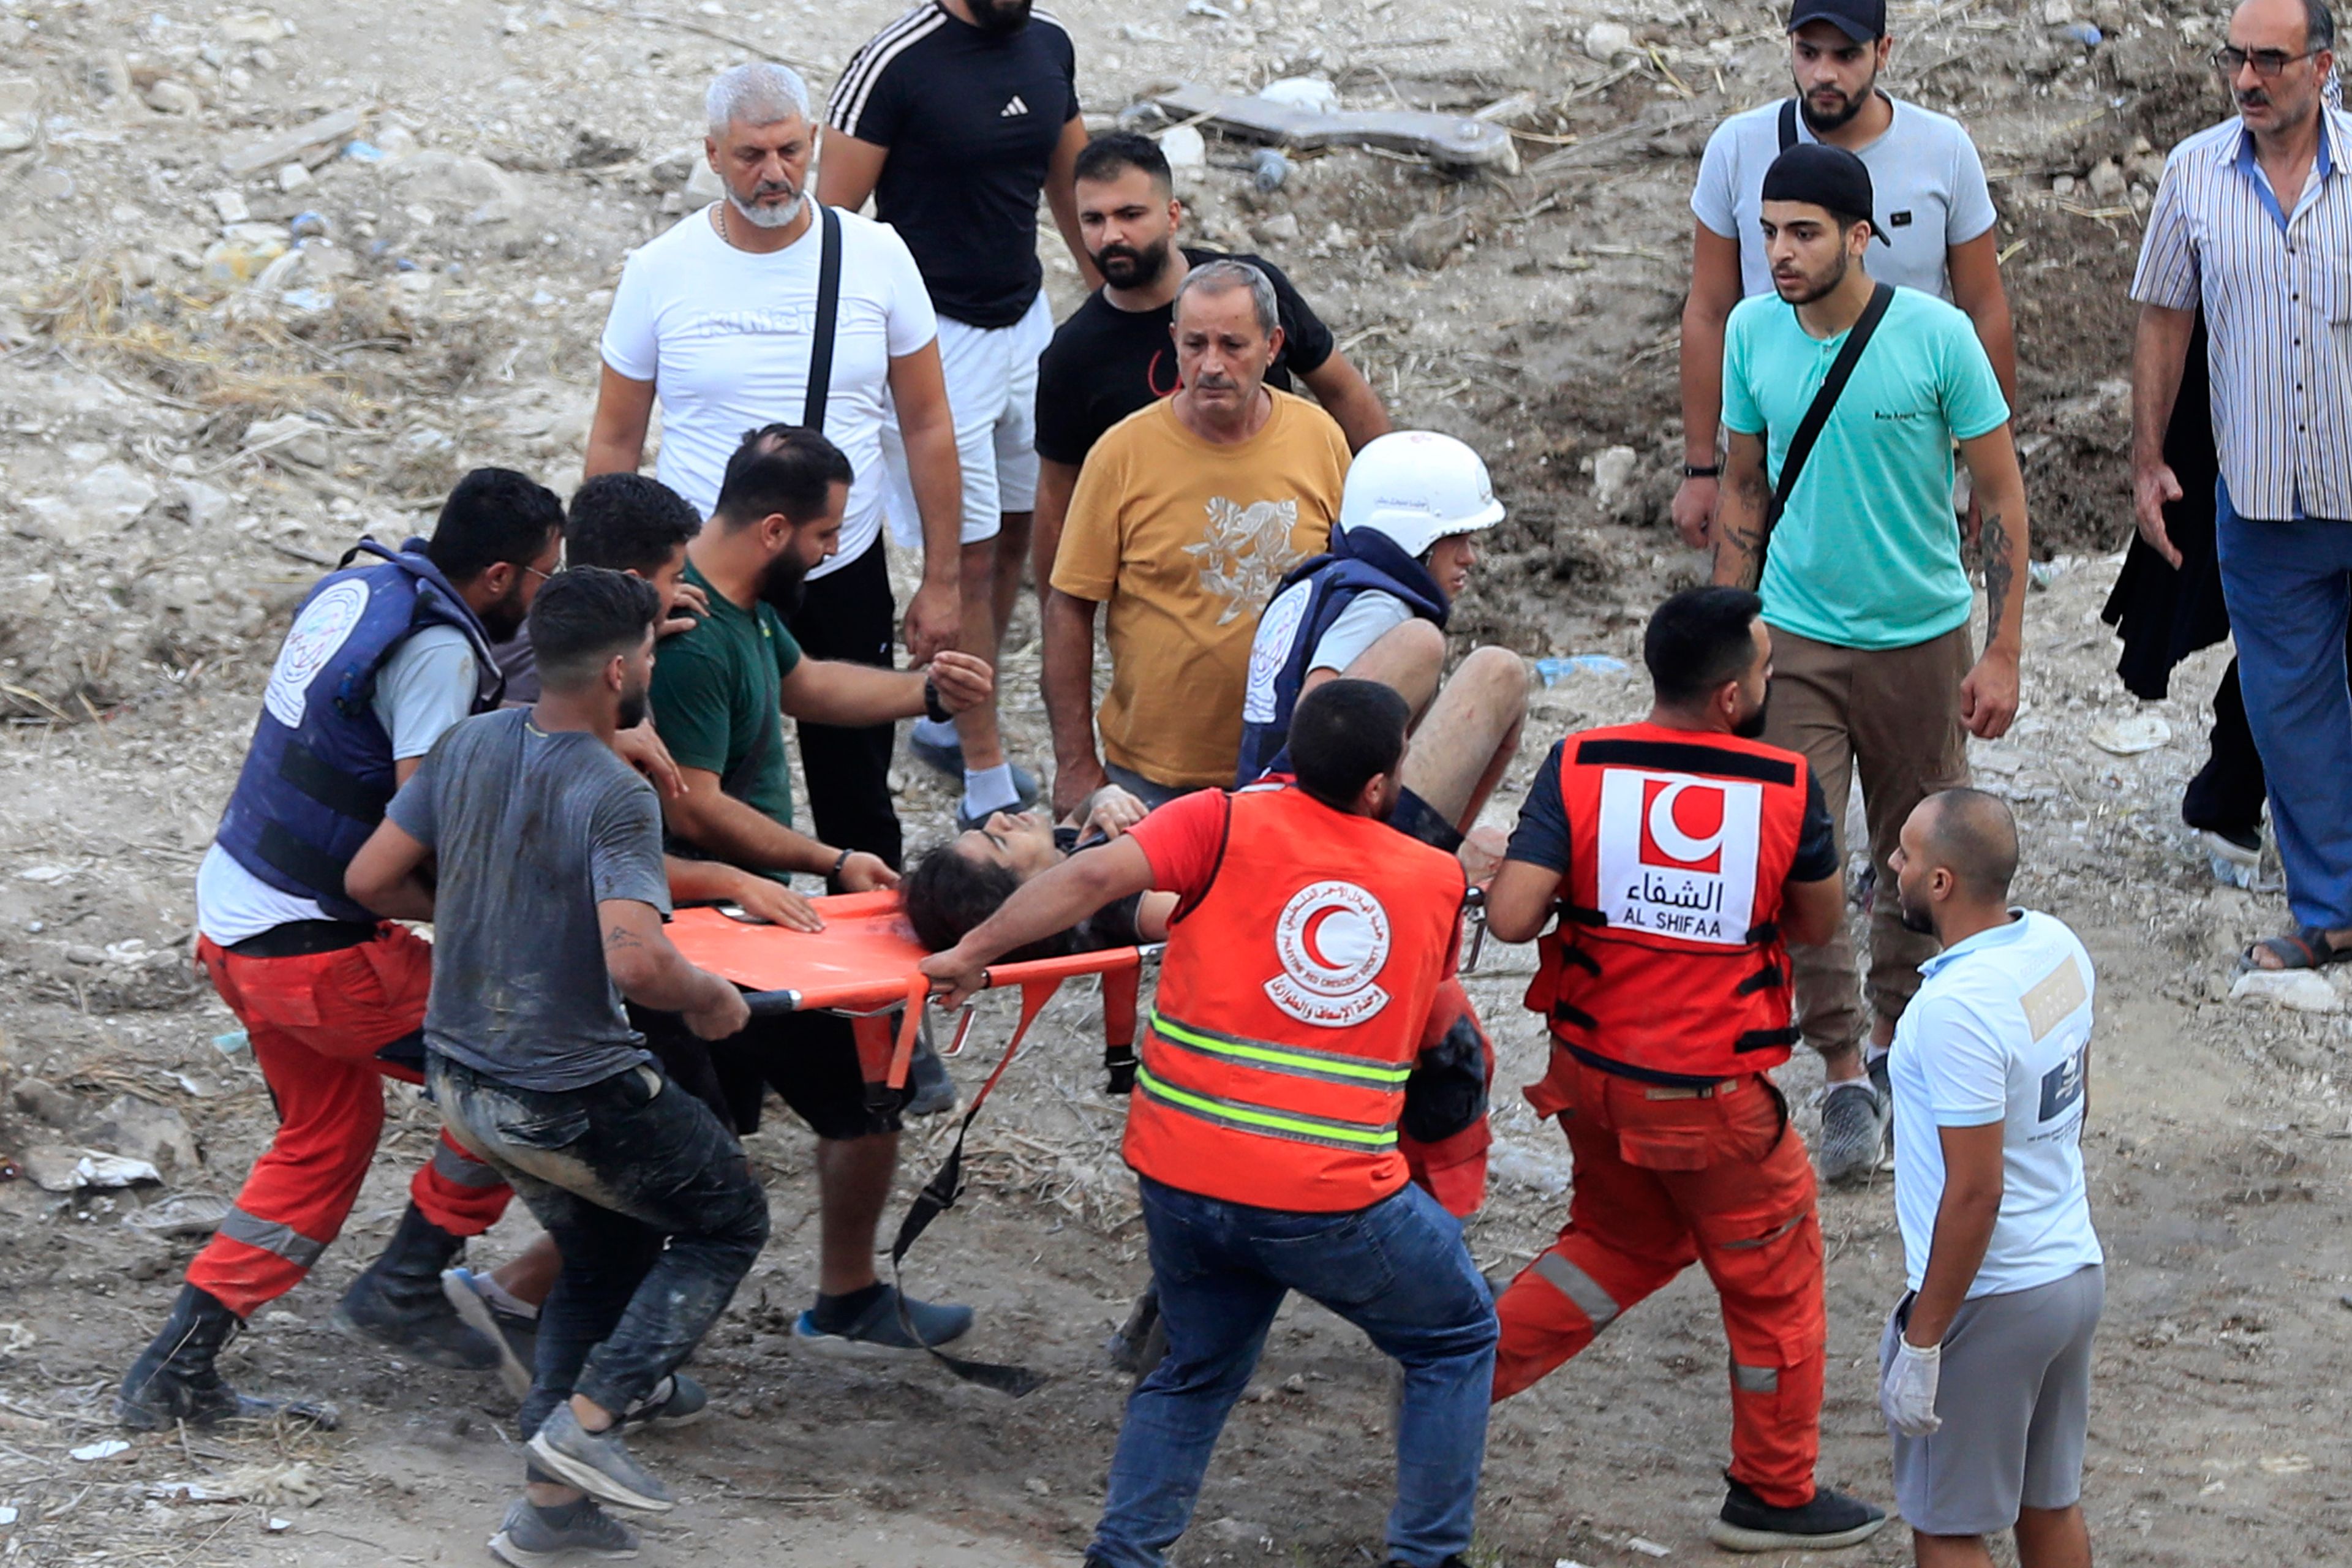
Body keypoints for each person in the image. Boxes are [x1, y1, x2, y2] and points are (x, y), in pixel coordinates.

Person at [921, 680, 1497, 1568]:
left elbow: (1090, 875)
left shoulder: (1220, 821)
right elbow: (1442, 1039)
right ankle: (1427, 1556)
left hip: (1181, 1177)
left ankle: (1125, 1553)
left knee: (1195, 1371)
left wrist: (969, 954)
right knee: (1456, 1334)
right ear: (1383, 786)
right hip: (1329, 1197)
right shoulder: (1431, 882)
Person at [115, 470, 567, 1430]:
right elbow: (426, 822)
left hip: (237, 918)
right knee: (528, 1064)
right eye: (543, 578)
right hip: (315, 956)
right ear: (497, 576)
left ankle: (175, 1371)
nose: (545, 598)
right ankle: (411, 1279)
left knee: (327, 1137)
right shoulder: (440, 654)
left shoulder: (365, 588)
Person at [345, 568, 765, 1564]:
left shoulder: (468, 744)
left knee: (609, 1251)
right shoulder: (613, 792)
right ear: (620, 670)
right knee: (729, 1216)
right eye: (652, 655)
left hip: (463, 1077)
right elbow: (636, 960)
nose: (653, 668)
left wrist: (489, 919)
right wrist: (712, 1002)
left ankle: (551, 1513)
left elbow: (368, 879)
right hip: (564, 1088)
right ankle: (592, 1417)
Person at [1483, 586, 1885, 1553]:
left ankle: (1456, 1373)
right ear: (1733, 699)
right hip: (1710, 1101)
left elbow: (1508, 917)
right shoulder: (1785, 787)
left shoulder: (1581, 763)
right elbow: (1821, 926)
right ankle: (1773, 1494)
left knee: (1621, 1243)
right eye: (1766, 669)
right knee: (1775, 1285)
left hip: (1589, 1077)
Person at [1711, 143, 2030, 1185]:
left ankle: (1895, 1046)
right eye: (1767, 233)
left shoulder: (1936, 337)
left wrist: (2003, 651)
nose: (1778, 254)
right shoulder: (1753, 331)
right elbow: (1743, 488)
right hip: (1794, 637)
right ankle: (1843, 1064)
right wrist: (1730, 636)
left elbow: (2001, 499)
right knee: (1794, 849)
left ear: (1860, 236)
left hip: (1922, 640)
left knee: (1917, 857)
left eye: (1802, 232)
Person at [644, 425, 995, 1352]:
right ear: (772, 528)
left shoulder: (745, 609)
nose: (833, 550)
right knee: (681, 1160)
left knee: (853, 1102)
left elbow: (808, 686)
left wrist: (926, 696)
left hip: (746, 916)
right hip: (708, 928)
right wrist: (829, 861)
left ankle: (846, 1294)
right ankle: (518, 1298)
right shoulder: (692, 644)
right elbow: (699, 808)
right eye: (826, 534)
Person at [587, 61, 962, 874]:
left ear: (815, 144)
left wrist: (944, 578)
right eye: (752, 156)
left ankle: (872, 988)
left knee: (858, 790)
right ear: (713, 154)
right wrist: (609, 594)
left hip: (840, 559)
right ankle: (722, 979)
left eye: (791, 151)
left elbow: (928, 423)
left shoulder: (876, 256)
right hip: (700, 583)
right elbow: (615, 440)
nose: (774, 174)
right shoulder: (660, 269)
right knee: (694, 795)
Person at [822, 0, 1093, 829]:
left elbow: (1070, 183)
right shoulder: (894, 64)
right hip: (936, 336)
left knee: (1020, 533)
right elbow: (829, 227)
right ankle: (984, 774)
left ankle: (956, 719)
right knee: (963, 560)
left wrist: (1113, 296)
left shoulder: (1048, 45)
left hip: (1026, 321)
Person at [2131, 0, 2352, 971]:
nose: (2249, 79)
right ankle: (2333, 911)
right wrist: (2147, 462)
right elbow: (2163, 320)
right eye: (2237, 58)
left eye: (2272, 59)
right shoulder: (2193, 174)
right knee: (2289, 713)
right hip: (2263, 498)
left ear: (2325, 66)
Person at [1675, 0, 2015, 550]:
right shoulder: (1737, 148)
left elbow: (1984, 308)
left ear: (1883, 51)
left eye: (1846, 55)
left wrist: (1992, 467)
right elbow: (1709, 310)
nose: (1824, 74)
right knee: (1758, 621)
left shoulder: (1943, 150)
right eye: (1808, 53)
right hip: (1770, 452)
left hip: (1900, 453)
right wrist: (1699, 470)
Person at [1879, 789, 2103, 1568]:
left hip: (1994, 1296)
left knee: (1947, 1523)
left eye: (1906, 855)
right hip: (2071, 1270)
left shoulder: (1955, 1009)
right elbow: (2075, 1094)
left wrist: (1925, 1340)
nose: (1892, 865)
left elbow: (1975, 1192)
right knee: (2048, 1504)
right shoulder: (2056, 948)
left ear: (1941, 882)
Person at [1045, 260, 1351, 815]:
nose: (1212, 365)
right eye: (1195, 344)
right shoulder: (1121, 454)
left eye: (1233, 345)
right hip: (1151, 780)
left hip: (1293, 771)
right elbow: (1068, 606)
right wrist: (1075, 763)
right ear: (1173, 344)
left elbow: (1359, 594)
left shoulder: (1320, 440)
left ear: (1274, 345)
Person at [1034, 131, 1389, 597]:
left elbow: (1341, 390)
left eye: (1131, 215)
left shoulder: (1251, 291)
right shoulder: (1073, 356)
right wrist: (1059, 623)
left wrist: (1394, 500)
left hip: (1297, 565)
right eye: (1093, 220)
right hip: (1175, 591)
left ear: (1173, 215)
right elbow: (1057, 505)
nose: (1112, 235)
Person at [1232, 431, 1523, 867]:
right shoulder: (1383, 610)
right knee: (1500, 674)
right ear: (1414, 535)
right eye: (1456, 539)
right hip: (1302, 842)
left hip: (1261, 816)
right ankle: (1416, 873)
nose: (1470, 558)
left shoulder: (1324, 584)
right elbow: (1318, 720)